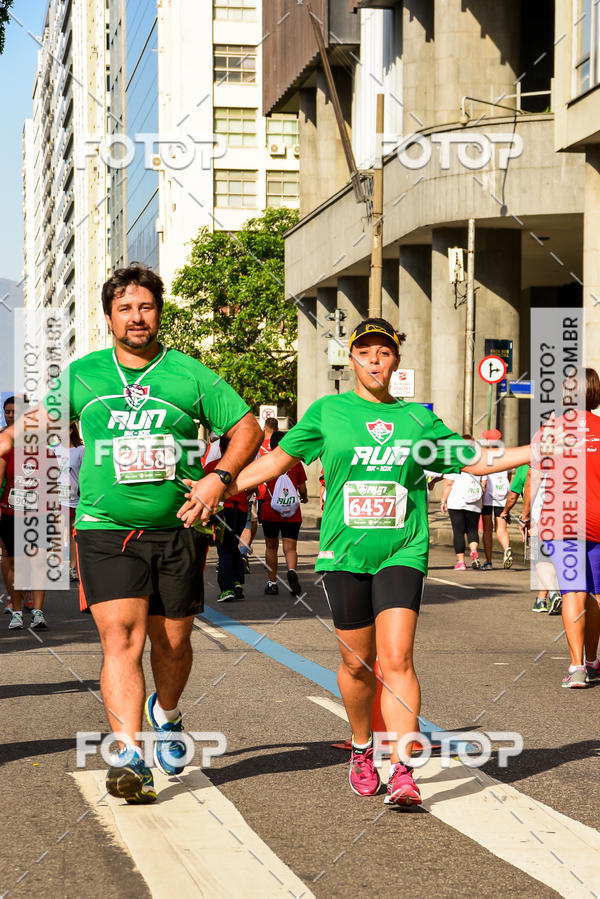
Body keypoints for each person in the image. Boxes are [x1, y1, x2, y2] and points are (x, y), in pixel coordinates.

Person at [193, 317, 532, 806]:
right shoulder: (328, 412)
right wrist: (218, 484)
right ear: (351, 359)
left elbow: (475, 459)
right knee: (357, 665)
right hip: (343, 552)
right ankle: (360, 747)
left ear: (396, 360)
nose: (375, 360)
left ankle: (402, 770)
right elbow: (275, 463)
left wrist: (535, 449)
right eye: (366, 352)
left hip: (403, 548)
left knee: (397, 659)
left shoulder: (418, 421)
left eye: (385, 352)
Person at [0, 263, 261, 802]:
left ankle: (166, 716)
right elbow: (30, 427)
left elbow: (247, 428)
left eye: (145, 307)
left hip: (179, 526)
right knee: (121, 641)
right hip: (105, 527)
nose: (136, 317)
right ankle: (130, 756)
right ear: (109, 317)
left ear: (158, 313)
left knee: (173, 642)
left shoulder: (190, 375)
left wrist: (219, 479)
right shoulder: (83, 374)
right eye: (125, 309)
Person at [536, 368, 600, 688]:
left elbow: (536, 474)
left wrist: (529, 517)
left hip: (564, 519)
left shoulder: (551, 429)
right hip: (598, 518)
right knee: (596, 593)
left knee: (573, 590)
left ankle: (578, 668)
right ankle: (592, 659)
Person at [0, 408, 47, 629]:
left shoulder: (46, 450)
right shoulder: (8, 449)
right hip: (11, 512)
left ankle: (38, 612)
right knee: (16, 563)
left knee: (38, 562)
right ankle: (17, 612)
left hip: (40, 513)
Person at [259, 430, 308, 596]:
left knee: (271, 547)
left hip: (270, 510)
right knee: (290, 547)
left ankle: (272, 583)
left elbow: (256, 482)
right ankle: (292, 570)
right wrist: (305, 497)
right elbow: (302, 488)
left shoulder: (266, 461)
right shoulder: (295, 463)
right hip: (292, 512)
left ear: (272, 444)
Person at [204, 435, 248, 602]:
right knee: (233, 545)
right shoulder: (242, 466)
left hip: (223, 510)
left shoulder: (212, 466)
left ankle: (226, 589)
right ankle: (237, 581)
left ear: (220, 448)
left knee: (223, 549)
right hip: (241, 510)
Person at [238, 417, 278, 569]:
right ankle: (242, 552)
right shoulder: (275, 449)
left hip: (237, 493)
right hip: (256, 492)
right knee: (249, 523)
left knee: (234, 526)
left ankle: (231, 555)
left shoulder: (257, 445)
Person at [440, 449, 484, 570]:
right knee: (472, 530)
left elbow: (448, 483)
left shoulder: (454, 462)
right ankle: (474, 551)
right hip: (474, 502)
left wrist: (443, 500)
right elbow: (483, 484)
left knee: (458, 532)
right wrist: (482, 501)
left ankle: (461, 562)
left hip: (456, 502)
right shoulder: (479, 462)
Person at [53, 421, 85, 581]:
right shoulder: (54, 449)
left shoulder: (80, 451)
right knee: (58, 533)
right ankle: (58, 568)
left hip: (75, 499)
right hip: (58, 498)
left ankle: (73, 568)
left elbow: (86, 475)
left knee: (74, 535)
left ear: (71, 430)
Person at [479, 429, 512, 570]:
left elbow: (482, 477)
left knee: (487, 529)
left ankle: (488, 562)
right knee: (501, 528)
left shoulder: (485, 455)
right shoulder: (506, 454)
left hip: (487, 496)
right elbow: (509, 476)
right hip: (502, 495)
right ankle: (506, 549)